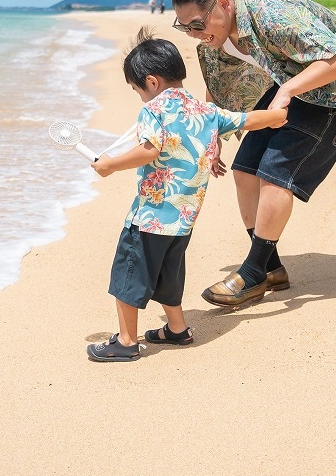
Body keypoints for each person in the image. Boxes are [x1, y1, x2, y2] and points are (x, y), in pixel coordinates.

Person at [169, 0, 336, 308]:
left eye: (196, 24)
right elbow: (217, 83)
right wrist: (211, 133)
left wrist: (288, 91)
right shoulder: (212, 39)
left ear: (222, 4)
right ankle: (270, 268)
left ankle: (251, 273)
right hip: (292, 85)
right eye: (182, 26)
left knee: (275, 177)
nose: (191, 33)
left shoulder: (273, 15)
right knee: (245, 170)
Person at [86, 27, 288, 362]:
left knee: (129, 274)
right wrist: (278, 115)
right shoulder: (206, 111)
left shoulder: (154, 109)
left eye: (137, 90)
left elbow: (149, 151)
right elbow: (248, 119)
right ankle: (176, 329)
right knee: (170, 271)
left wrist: (111, 165)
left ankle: (125, 341)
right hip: (184, 218)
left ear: (151, 82)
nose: (141, 97)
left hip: (150, 216)